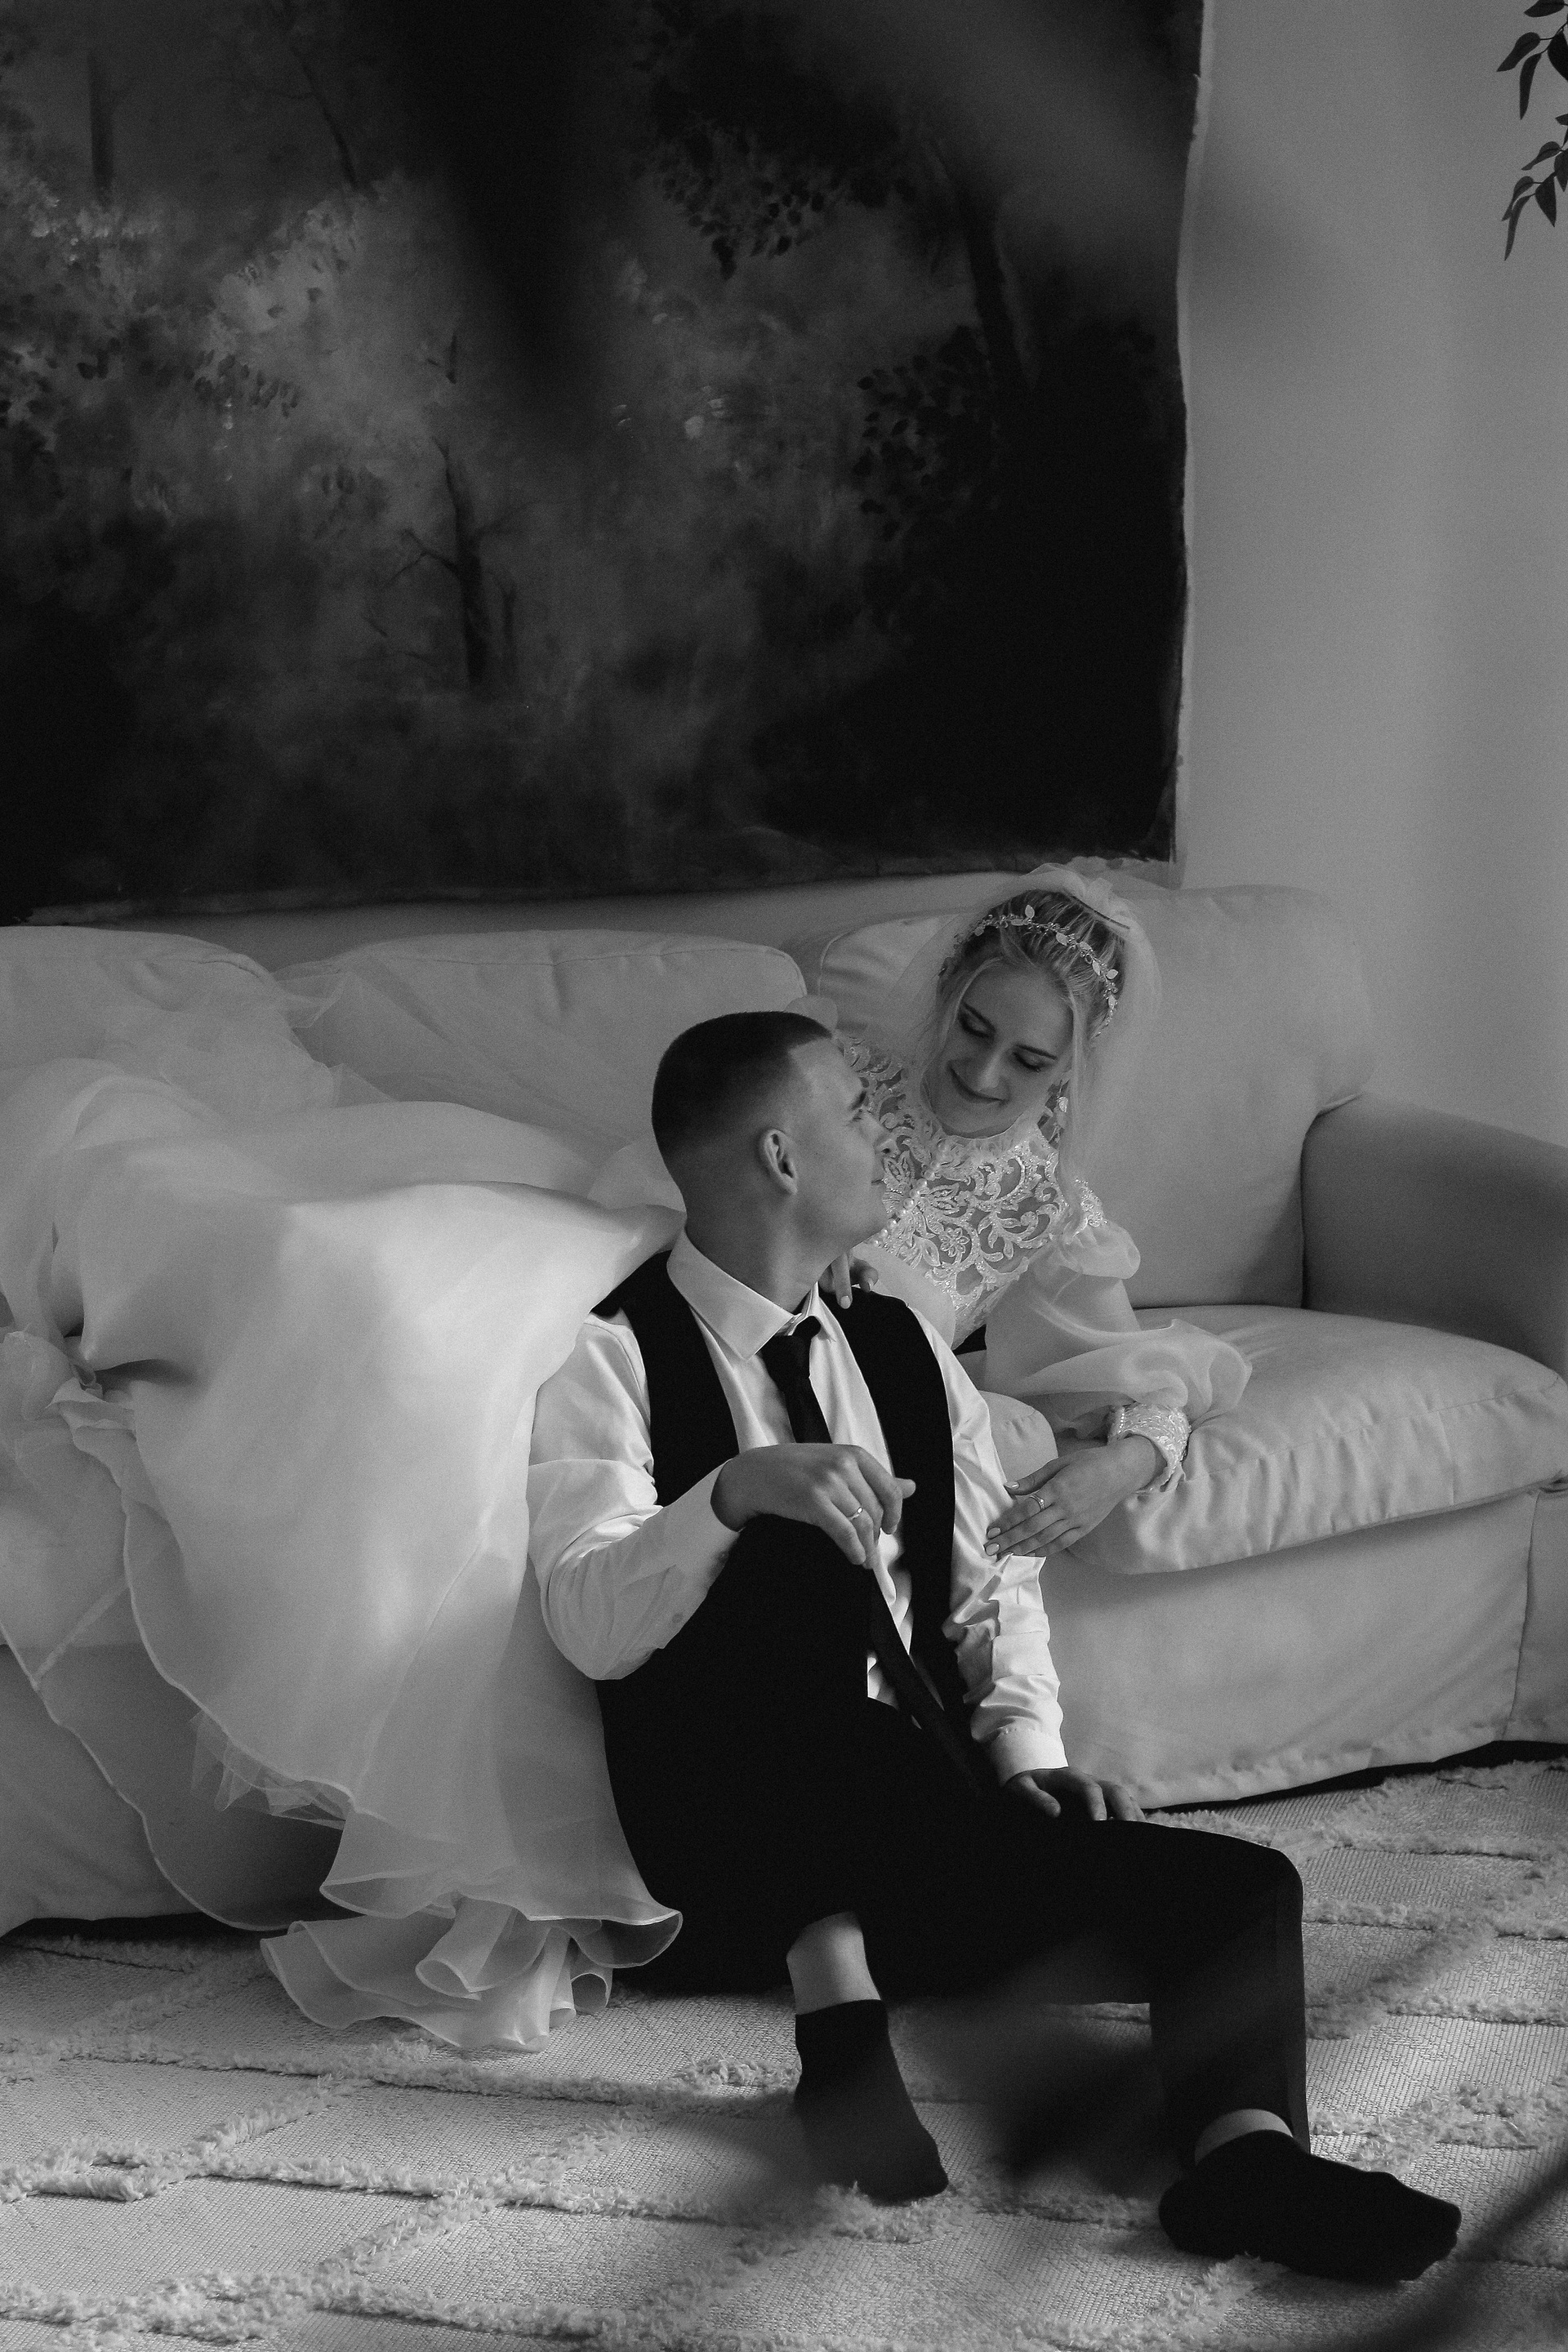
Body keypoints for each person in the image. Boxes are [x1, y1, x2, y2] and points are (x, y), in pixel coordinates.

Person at [527, 1007, 1461, 2281]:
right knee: (797, 1539)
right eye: (857, 1112)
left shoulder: (898, 1343)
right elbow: (589, 1625)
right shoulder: (612, 1358)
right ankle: (838, 2018)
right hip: (726, 1865)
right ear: (782, 1157)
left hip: (919, 1824)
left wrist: (1027, 1756)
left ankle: (1246, 2162)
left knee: (1242, 1892)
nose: (891, 1134)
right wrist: (732, 1495)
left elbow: (987, 1586)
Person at [825, 863, 1250, 1558]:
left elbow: (1144, 1386)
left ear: (1071, 1067)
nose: (983, 1072)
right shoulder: (829, 1081)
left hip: (856, 1453)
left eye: (1027, 1060)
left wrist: (1123, 1467)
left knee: (1017, 1441)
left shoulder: (1043, 1210)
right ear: (947, 989)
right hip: (719, 1370)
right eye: (974, 1027)